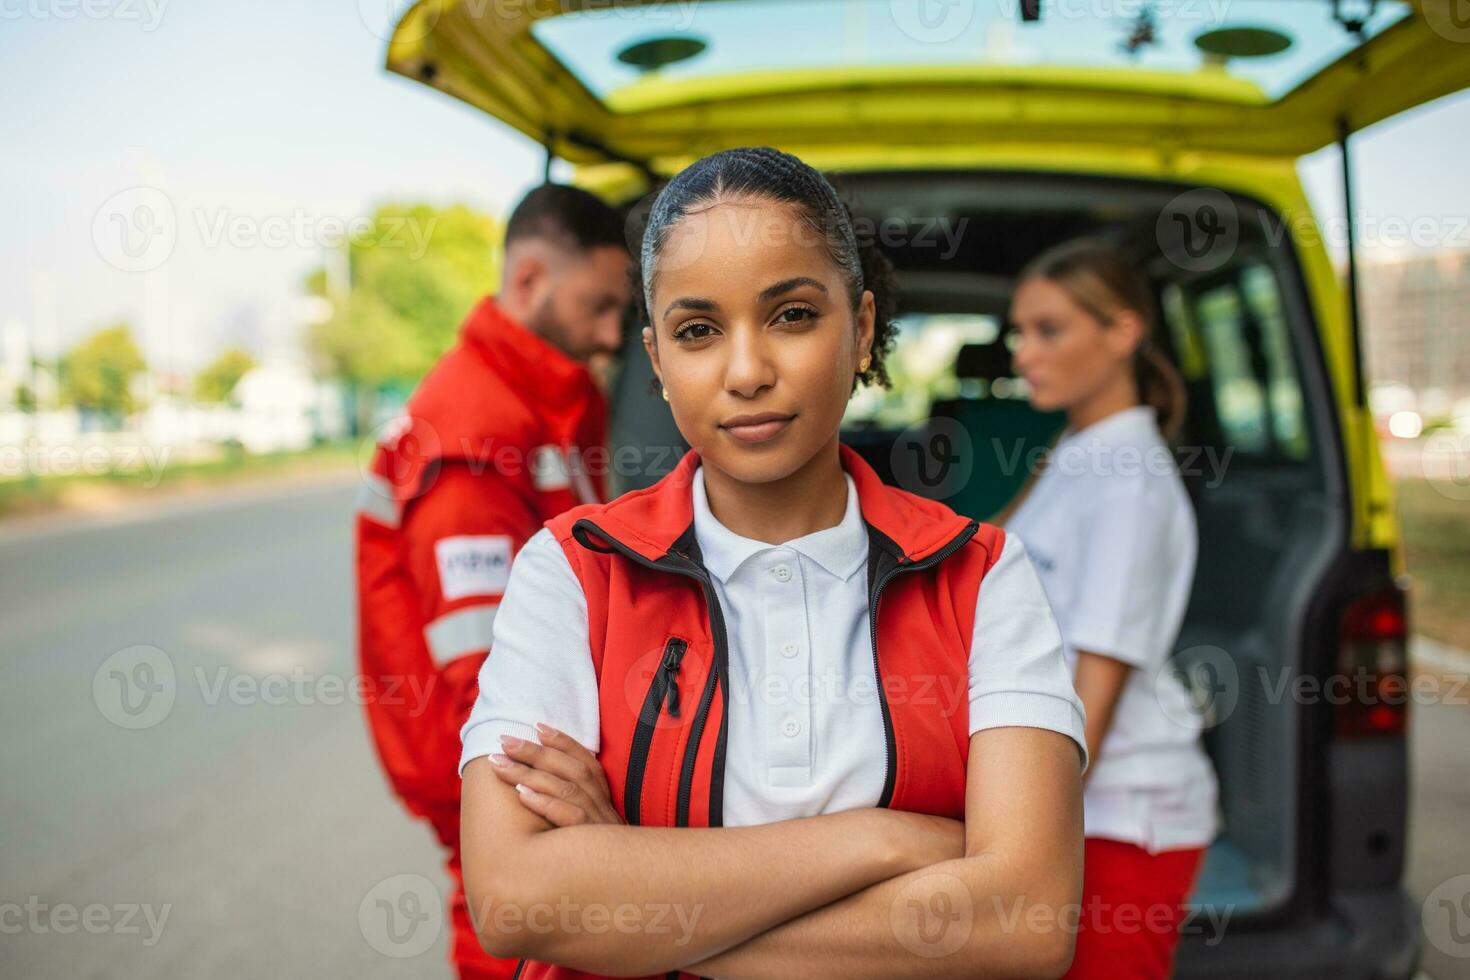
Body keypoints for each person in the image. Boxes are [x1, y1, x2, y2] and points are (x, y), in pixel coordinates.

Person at [456, 146, 1089, 980]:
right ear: (656, 360)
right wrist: (885, 842)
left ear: (860, 329)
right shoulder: (574, 570)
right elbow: (515, 900)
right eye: (697, 331)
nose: (747, 371)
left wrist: (638, 900)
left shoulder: (981, 575)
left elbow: (1026, 921)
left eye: (791, 315)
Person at [354, 183, 632, 980]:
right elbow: (489, 694)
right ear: (530, 282)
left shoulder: (535, 403)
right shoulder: (477, 435)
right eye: (599, 306)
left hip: (506, 782)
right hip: (503, 794)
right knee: (508, 944)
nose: (613, 335)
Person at [1002, 239, 1219, 979]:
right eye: (1018, 332)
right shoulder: (1078, 450)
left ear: (1122, 332)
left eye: (1049, 330)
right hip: (1077, 805)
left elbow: (1094, 690)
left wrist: (1012, 837)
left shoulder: (1128, 484)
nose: (1024, 352)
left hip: (1122, 815)